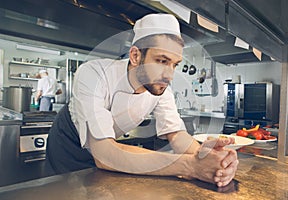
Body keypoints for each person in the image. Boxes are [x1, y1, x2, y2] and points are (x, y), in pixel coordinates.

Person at [45, 13, 238, 187]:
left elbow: (176, 134)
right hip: (68, 145)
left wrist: (210, 158)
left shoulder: (161, 89)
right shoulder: (94, 74)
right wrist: (190, 166)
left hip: (109, 148)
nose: (169, 75)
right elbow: (104, 154)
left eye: (174, 64)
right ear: (136, 55)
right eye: (162, 61)